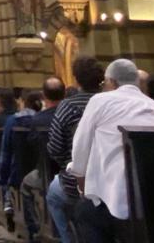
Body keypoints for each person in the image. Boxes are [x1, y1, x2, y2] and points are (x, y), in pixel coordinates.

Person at [70, 59, 154, 243]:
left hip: (118, 203)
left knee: (84, 212)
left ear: (111, 82)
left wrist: (81, 183)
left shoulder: (100, 101)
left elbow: (80, 148)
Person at [46, 57, 105, 243]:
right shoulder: (111, 103)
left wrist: (67, 163)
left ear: (77, 79)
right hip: (112, 176)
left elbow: (55, 148)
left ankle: (68, 239)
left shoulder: (68, 106)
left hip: (78, 181)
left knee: (53, 196)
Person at [19, 76, 65, 242]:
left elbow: (32, 145)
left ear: (44, 96)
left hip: (46, 172)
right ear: (64, 94)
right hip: (73, 170)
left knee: (25, 185)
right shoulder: (72, 114)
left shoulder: (38, 119)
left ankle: (35, 229)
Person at [0, 90, 41, 231]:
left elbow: (6, 152)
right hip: (44, 171)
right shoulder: (43, 118)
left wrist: (3, 177)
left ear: (22, 102)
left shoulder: (13, 121)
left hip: (18, 171)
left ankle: (12, 211)